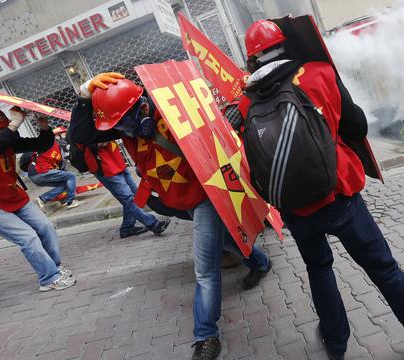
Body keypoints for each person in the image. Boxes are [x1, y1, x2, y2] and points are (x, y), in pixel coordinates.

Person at [235, 20, 404, 360]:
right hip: (339, 194)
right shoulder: (319, 73)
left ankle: (335, 344)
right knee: (383, 269)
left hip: (294, 205)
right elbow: (357, 126)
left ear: (252, 59)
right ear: (285, 44)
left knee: (318, 268)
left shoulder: (247, 102)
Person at [70, 74, 271, 360]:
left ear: (140, 106)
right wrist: (83, 97)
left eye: (123, 121)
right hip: (177, 197)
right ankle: (260, 262)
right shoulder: (124, 127)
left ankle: (206, 335)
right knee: (224, 239)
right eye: (116, 125)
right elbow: (80, 136)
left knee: (205, 269)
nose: (122, 130)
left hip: (205, 195)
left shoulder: (170, 110)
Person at [0, 106, 75, 291]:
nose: (6, 132)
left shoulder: (2, 140)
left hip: (12, 195)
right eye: (0, 129)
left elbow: (40, 145)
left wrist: (44, 127)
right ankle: (48, 279)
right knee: (28, 237)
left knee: (45, 227)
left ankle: (54, 267)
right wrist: (13, 125)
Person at [80, 134, 169, 239]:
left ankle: (127, 227)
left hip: (117, 163)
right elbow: (97, 144)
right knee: (129, 199)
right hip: (107, 170)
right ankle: (153, 224)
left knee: (133, 196)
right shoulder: (83, 128)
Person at [28, 125, 80, 209]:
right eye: (60, 134)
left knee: (66, 183)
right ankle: (70, 201)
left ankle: (42, 199)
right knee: (71, 176)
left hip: (36, 174)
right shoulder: (53, 144)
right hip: (40, 172)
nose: (62, 136)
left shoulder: (56, 147)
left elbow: (62, 167)